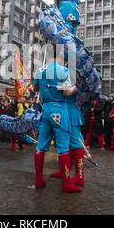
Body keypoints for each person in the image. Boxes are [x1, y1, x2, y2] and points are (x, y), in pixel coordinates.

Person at [32, 46, 81, 193]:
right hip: (59, 109)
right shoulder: (64, 71)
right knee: (63, 148)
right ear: (60, 55)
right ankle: (66, 184)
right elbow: (66, 92)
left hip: (45, 110)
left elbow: (35, 89)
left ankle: (39, 180)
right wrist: (74, 88)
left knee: (40, 146)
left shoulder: (40, 71)